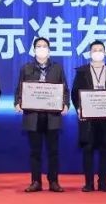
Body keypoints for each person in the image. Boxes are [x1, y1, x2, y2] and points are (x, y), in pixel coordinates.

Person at [14, 36, 69, 193]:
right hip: (33, 116)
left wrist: (65, 104)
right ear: (34, 50)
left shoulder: (57, 68)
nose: (42, 49)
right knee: (35, 152)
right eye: (39, 46)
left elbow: (65, 89)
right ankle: (36, 181)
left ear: (49, 50)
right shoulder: (26, 68)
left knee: (53, 151)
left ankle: (54, 181)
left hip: (52, 116)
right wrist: (18, 102)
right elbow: (19, 89)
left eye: (44, 46)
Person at [71, 40, 106, 192]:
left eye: (100, 50)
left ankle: (103, 182)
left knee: (105, 149)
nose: (98, 52)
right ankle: (88, 183)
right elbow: (74, 93)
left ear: (105, 53)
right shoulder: (82, 72)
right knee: (88, 149)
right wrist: (79, 109)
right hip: (88, 118)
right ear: (90, 53)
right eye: (95, 50)